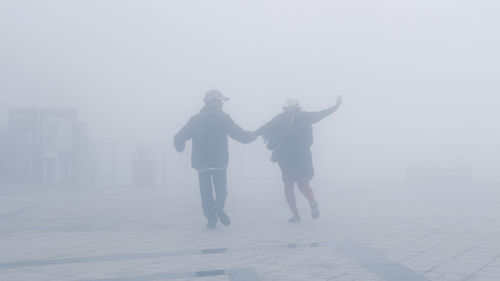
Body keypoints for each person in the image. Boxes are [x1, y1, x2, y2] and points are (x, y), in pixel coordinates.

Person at [174, 89, 256, 229]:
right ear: (216, 102)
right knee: (221, 190)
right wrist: (255, 134)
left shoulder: (195, 119)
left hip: (201, 162)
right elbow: (239, 134)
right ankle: (218, 207)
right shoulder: (223, 117)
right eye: (221, 101)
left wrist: (180, 147)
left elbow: (179, 136)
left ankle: (211, 219)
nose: (222, 104)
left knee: (205, 192)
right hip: (219, 160)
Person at [255, 96, 343, 223]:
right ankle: (312, 201)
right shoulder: (305, 116)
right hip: (303, 156)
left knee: (288, 186)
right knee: (303, 184)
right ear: (298, 107)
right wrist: (335, 107)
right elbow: (321, 114)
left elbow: (264, 129)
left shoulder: (279, 118)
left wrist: (250, 135)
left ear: (285, 107)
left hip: (285, 158)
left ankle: (296, 215)